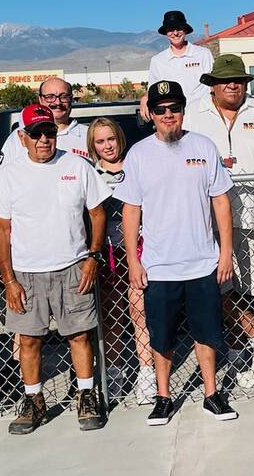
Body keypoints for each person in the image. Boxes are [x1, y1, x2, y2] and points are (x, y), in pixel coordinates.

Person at [114, 80, 239, 426]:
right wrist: (133, 262)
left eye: (174, 108)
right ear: (151, 114)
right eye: (160, 110)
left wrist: (225, 251)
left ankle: (212, 394)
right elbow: (131, 211)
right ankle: (163, 397)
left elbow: (221, 202)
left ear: (183, 110)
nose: (168, 115)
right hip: (159, 266)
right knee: (162, 336)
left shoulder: (203, 146)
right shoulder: (139, 154)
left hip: (202, 263)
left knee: (207, 332)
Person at [0, 104, 111, 434]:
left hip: (73, 267)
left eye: (50, 132)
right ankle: (33, 400)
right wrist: (8, 280)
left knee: (79, 335)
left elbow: (97, 214)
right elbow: (0, 229)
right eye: (36, 133)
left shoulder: (77, 166)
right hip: (26, 273)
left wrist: (93, 257)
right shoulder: (8, 174)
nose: (44, 139)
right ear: (22, 137)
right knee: (28, 340)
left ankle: (86, 395)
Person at [183, 54, 254, 388]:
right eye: (226, 80)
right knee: (213, 286)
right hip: (204, 216)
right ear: (212, 85)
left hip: (252, 213)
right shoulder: (194, 115)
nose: (233, 85)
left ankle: (246, 344)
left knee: (245, 287)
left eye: (239, 81)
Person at [86, 117, 156, 405]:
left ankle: (147, 372)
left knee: (139, 312)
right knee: (112, 316)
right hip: (108, 252)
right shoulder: (90, 172)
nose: (107, 146)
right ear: (93, 145)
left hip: (138, 248)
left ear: (119, 139)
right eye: (100, 141)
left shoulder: (137, 165)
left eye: (111, 139)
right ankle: (114, 370)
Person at [0, 77, 89, 167]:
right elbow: (1, 175)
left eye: (64, 96)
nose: (57, 102)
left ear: (71, 99)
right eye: (50, 97)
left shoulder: (90, 135)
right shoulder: (20, 135)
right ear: (40, 99)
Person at [141, 10, 215, 121]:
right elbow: (153, 90)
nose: (175, 33)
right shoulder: (158, 61)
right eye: (170, 29)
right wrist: (144, 98)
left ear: (185, 30)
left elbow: (213, 85)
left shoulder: (203, 54)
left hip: (203, 117)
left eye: (179, 28)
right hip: (173, 119)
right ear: (166, 32)